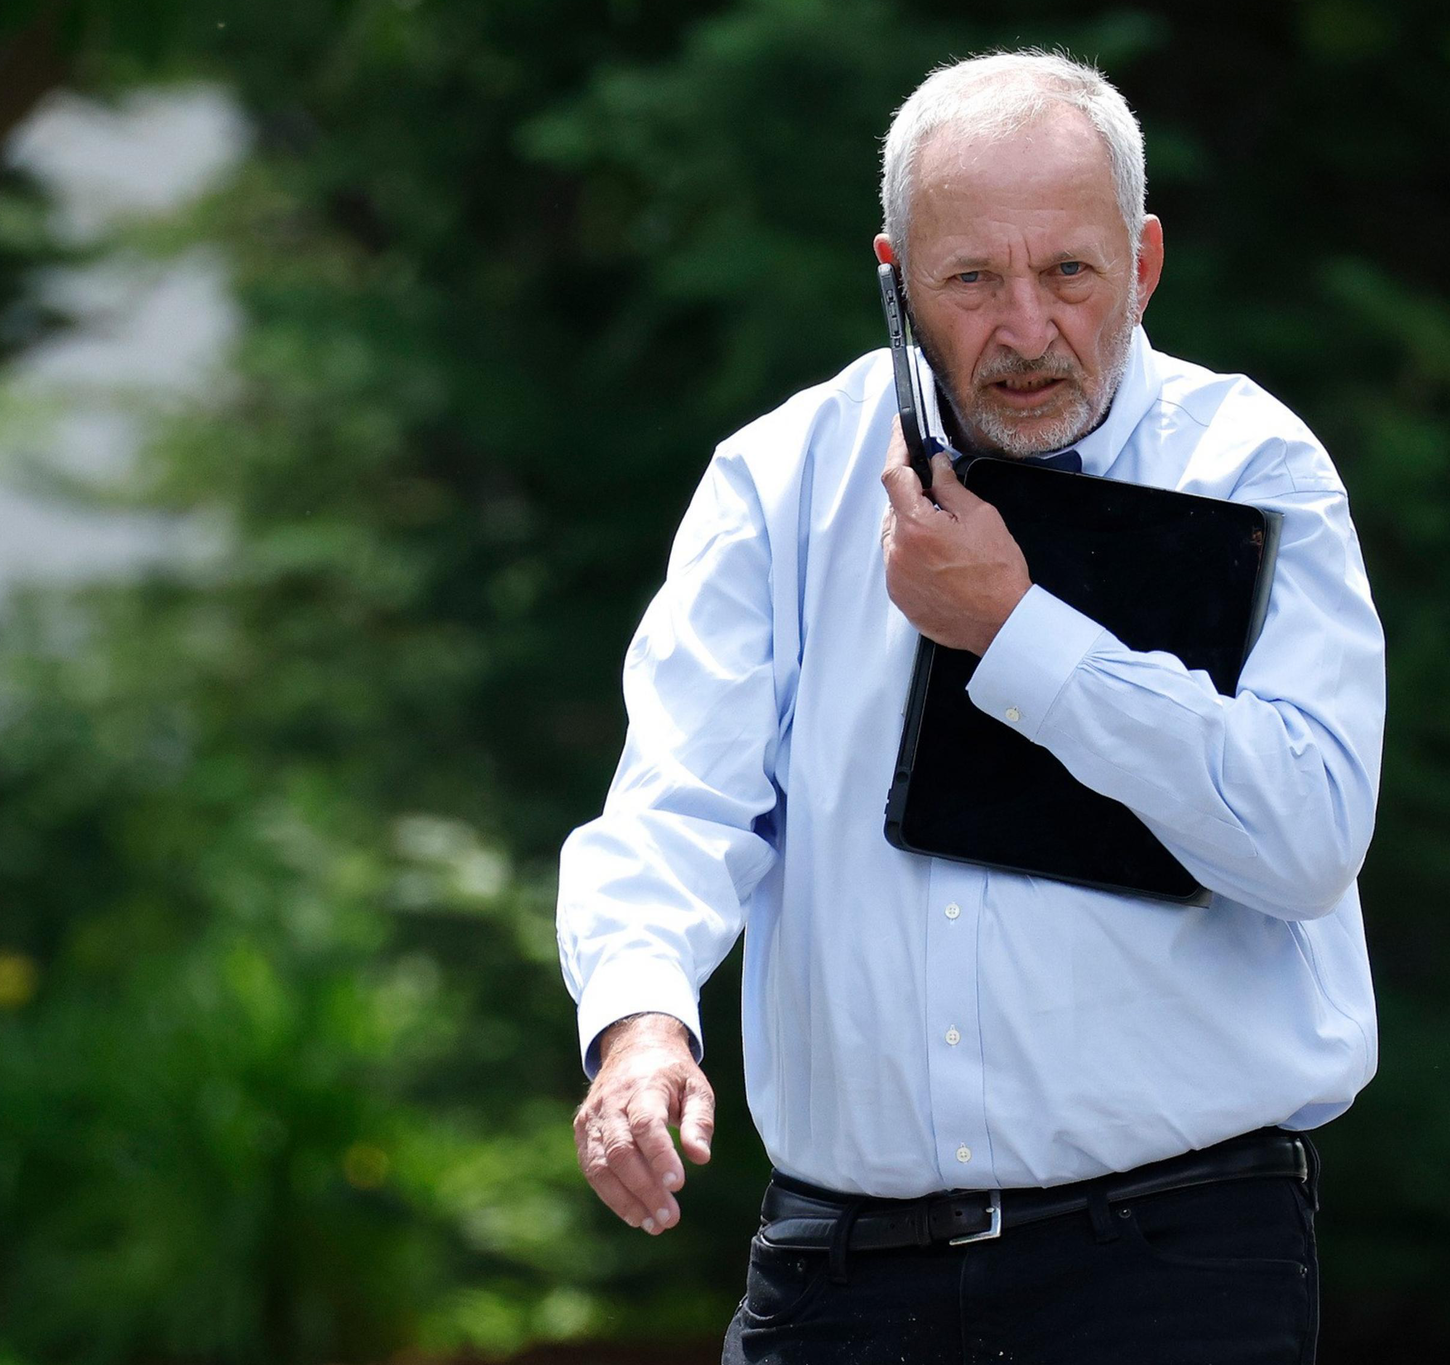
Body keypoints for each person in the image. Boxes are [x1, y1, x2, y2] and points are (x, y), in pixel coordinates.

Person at [555, 49, 1385, 1365]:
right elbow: (676, 804)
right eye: (969, 281)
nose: (1025, 328)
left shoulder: (1246, 466)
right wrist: (640, 1019)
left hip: (1172, 1267)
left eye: (1066, 271)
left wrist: (1014, 632)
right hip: (836, 1278)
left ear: (1143, 261)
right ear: (895, 279)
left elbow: (1305, 839)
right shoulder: (779, 481)